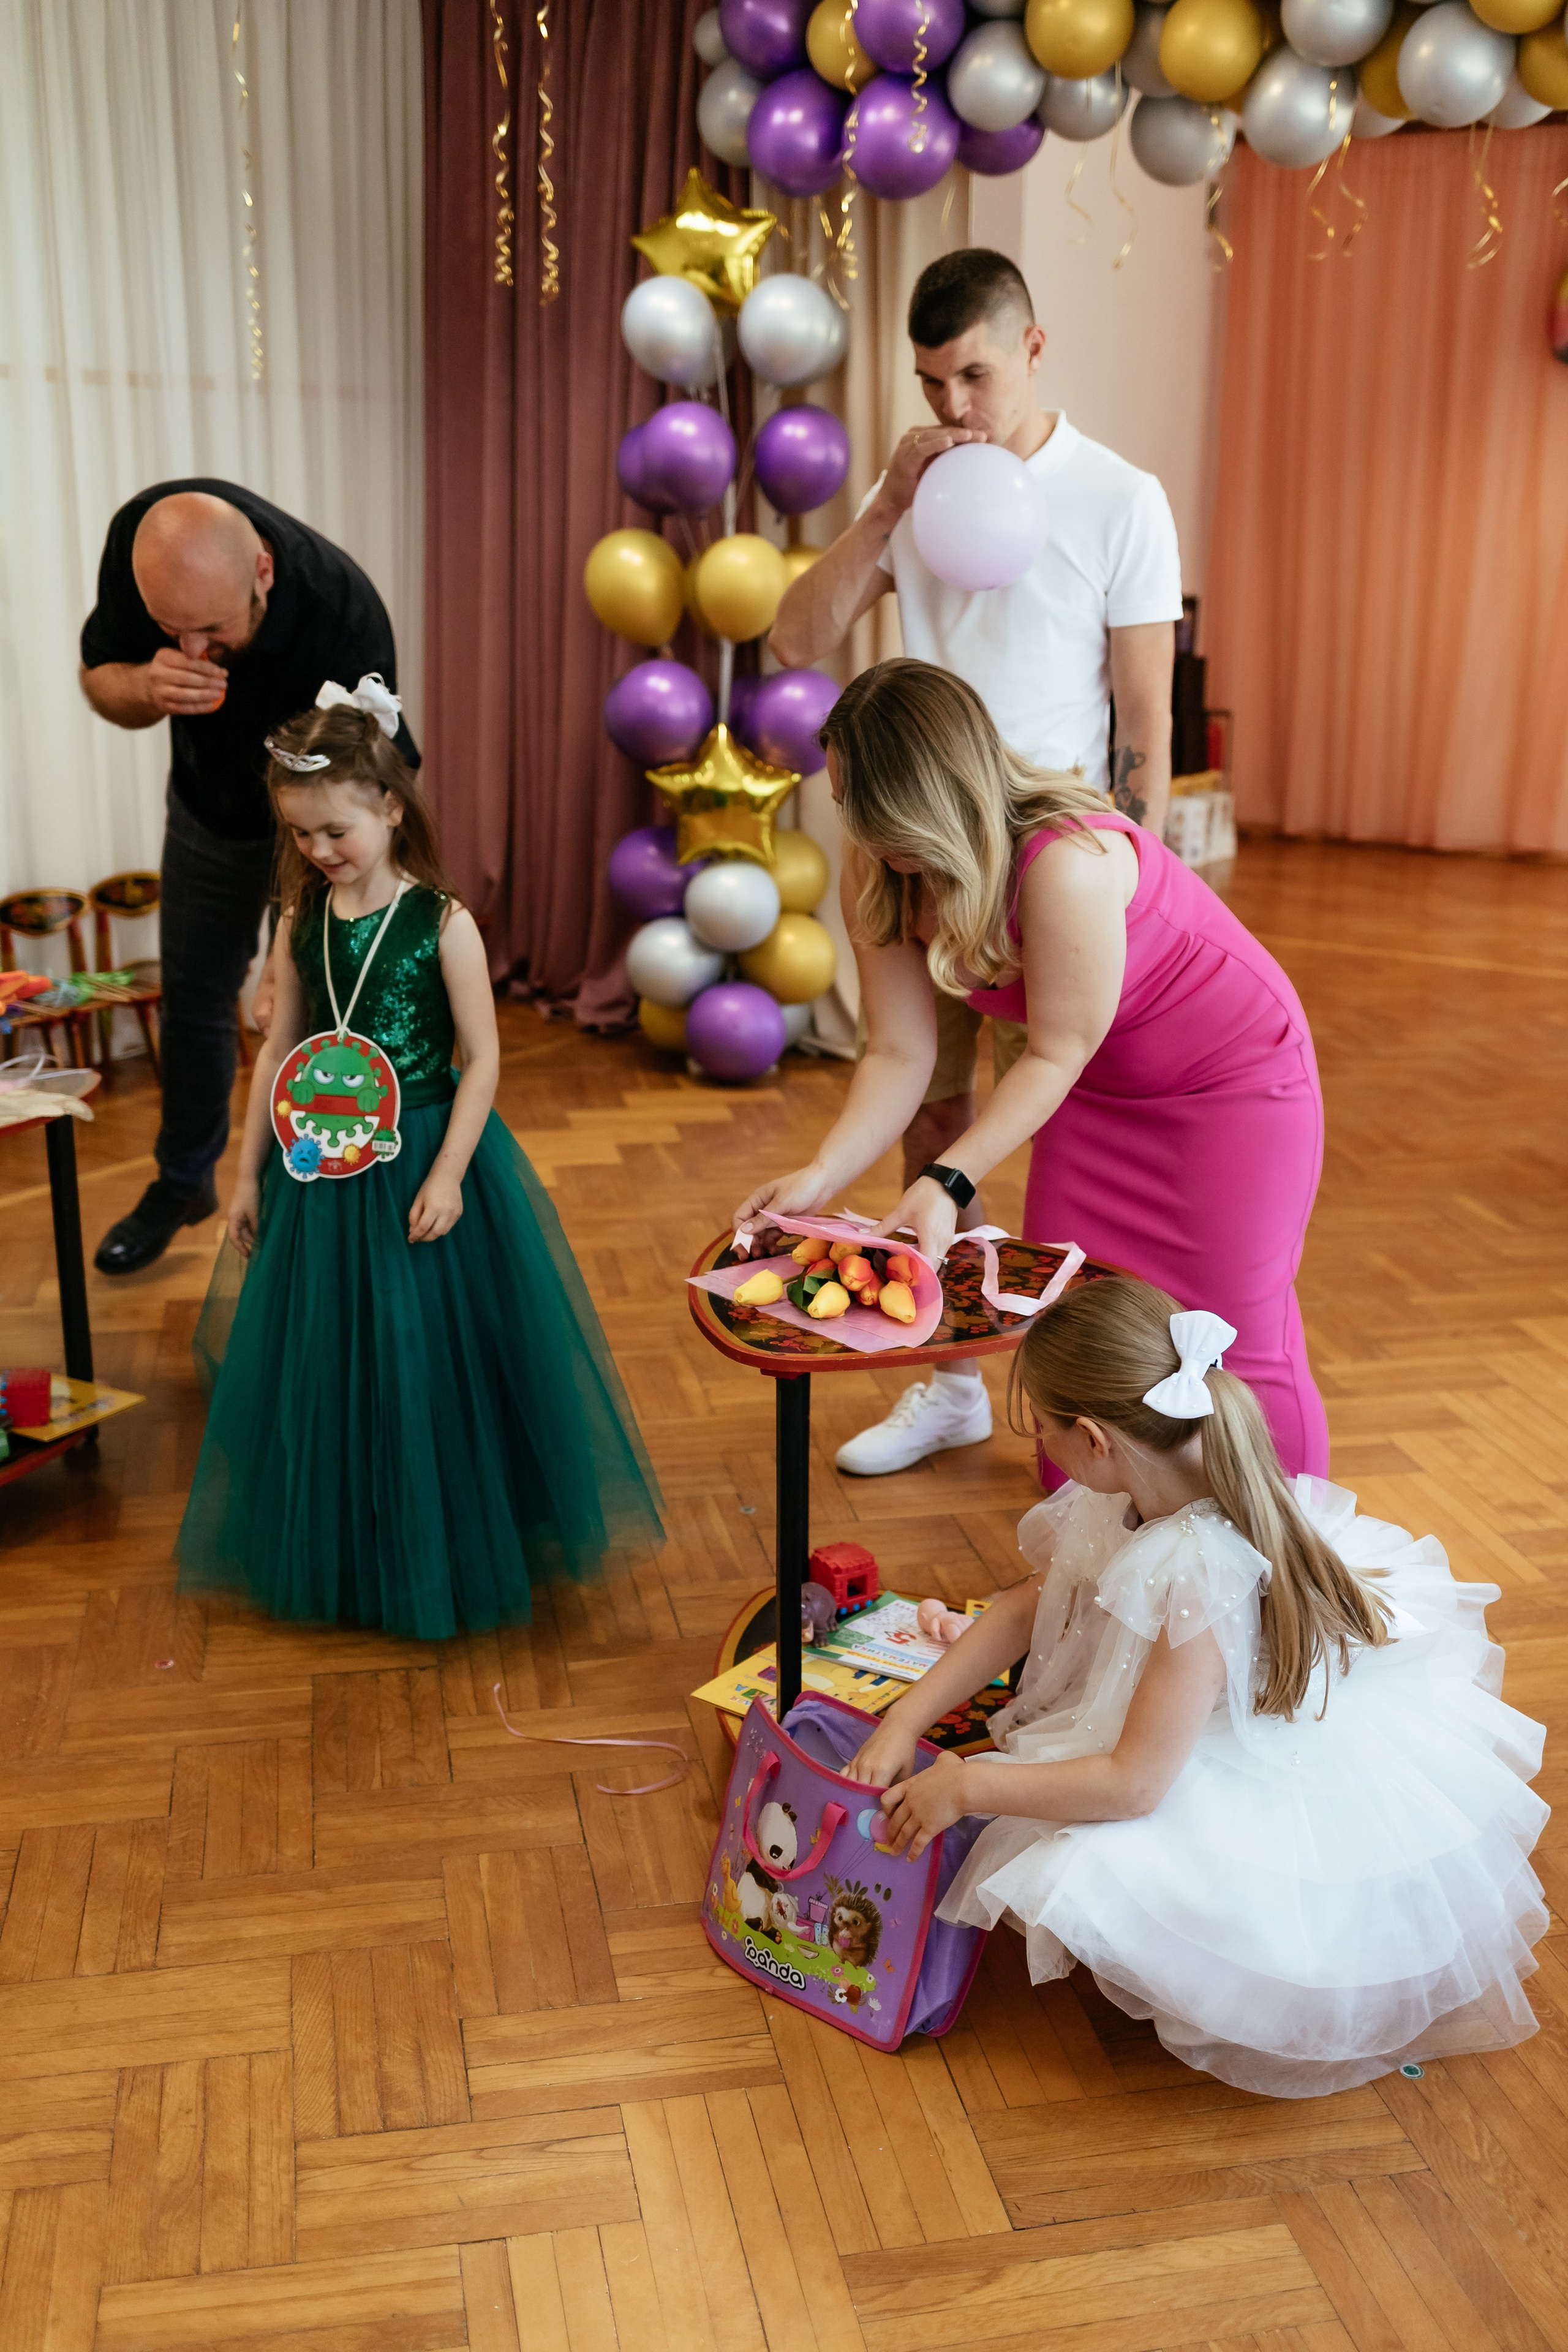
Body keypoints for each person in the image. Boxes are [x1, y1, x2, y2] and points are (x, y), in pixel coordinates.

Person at [844, 1275, 1548, 2098]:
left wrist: (970, 1787)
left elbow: (1134, 1784)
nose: (1037, 1442)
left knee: (1082, 1867)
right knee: (1047, 1811)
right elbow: (1023, 1608)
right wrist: (904, 1719)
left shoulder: (1197, 1573)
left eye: (1041, 1428)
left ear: (1097, 1440)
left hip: (1213, 1764)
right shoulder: (1134, 1484)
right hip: (1171, 1713)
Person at [770, 249, 1183, 1476]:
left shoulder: (1118, 496)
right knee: (928, 1117)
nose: (952, 407)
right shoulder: (920, 496)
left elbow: (1146, 728)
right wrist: (884, 509)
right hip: (916, 851)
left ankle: (1094, 1411)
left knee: (1064, 1137)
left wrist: (1136, 900)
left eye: (974, 376)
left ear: (1034, 349)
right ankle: (946, 1382)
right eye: (930, 381)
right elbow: (796, 638)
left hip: (1054, 871)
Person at [736, 659, 1330, 1480]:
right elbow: (900, 1052)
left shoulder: (1064, 860)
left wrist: (945, 1181)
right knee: (1075, 1332)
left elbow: (1055, 1049)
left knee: (1235, 1336)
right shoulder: (881, 868)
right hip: (1098, 1091)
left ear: (928, 796)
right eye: (846, 801)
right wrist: (823, 1171)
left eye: (865, 804)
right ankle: (1112, 1538)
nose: (854, 825)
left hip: (1229, 1089)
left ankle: (1281, 1541)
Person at [176, 680, 663, 1638]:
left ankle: (438, 1532)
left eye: (336, 830)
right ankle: (349, 1528)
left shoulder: (444, 922)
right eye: (303, 834)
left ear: (391, 806)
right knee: (331, 1355)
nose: (320, 851)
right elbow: (278, 1052)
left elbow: (483, 1058)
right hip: (319, 1170)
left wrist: (446, 1174)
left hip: (421, 1163)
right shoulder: (300, 920)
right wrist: (245, 1173)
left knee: (425, 1355)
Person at [80, 481, 419, 1275]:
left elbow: (357, 809)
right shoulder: (147, 542)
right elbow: (102, 679)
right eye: (172, 630)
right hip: (206, 811)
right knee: (195, 996)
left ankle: (292, 1199)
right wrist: (142, 685)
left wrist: (290, 940)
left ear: (263, 571)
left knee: (293, 1016)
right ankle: (183, 1183)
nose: (193, 649)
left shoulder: (342, 618)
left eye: (211, 630)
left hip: (309, 833)